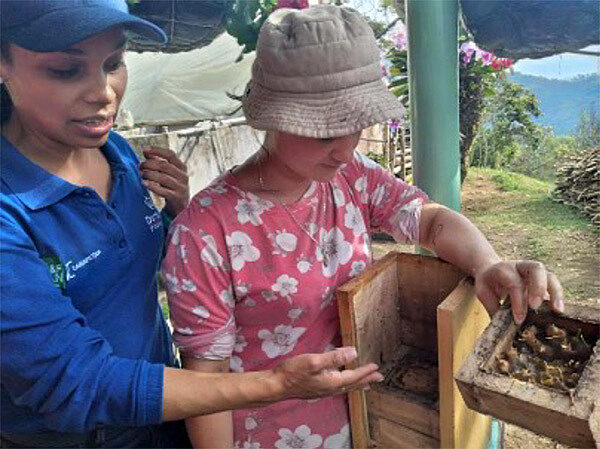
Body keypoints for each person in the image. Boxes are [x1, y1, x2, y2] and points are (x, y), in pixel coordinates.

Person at [162, 5, 565, 449]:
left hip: (368, 419)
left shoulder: (351, 177)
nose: (344, 148)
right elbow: (206, 384)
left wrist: (486, 263)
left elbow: (429, 222)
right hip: (270, 436)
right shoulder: (204, 233)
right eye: (324, 132)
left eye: (356, 126)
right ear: (271, 116)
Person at [0, 1, 384, 448]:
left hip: (169, 409)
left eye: (114, 63)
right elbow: (73, 381)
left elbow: (127, 266)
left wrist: (177, 213)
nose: (103, 91)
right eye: (66, 71)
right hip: (76, 435)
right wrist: (275, 385)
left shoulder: (116, 153)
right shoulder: (11, 210)